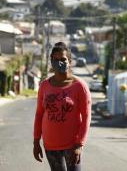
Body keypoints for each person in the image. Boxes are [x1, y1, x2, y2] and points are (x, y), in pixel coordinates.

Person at [33, 42, 92, 171]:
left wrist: (79, 144)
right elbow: (39, 114)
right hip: (50, 145)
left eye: (63, 59)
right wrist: (36, 141)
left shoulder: (79, 86)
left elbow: (86, 116)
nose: (59, 62)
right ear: (51, 61)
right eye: (55, 59)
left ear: (69, 61)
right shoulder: (44, 86)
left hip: (72, 145)